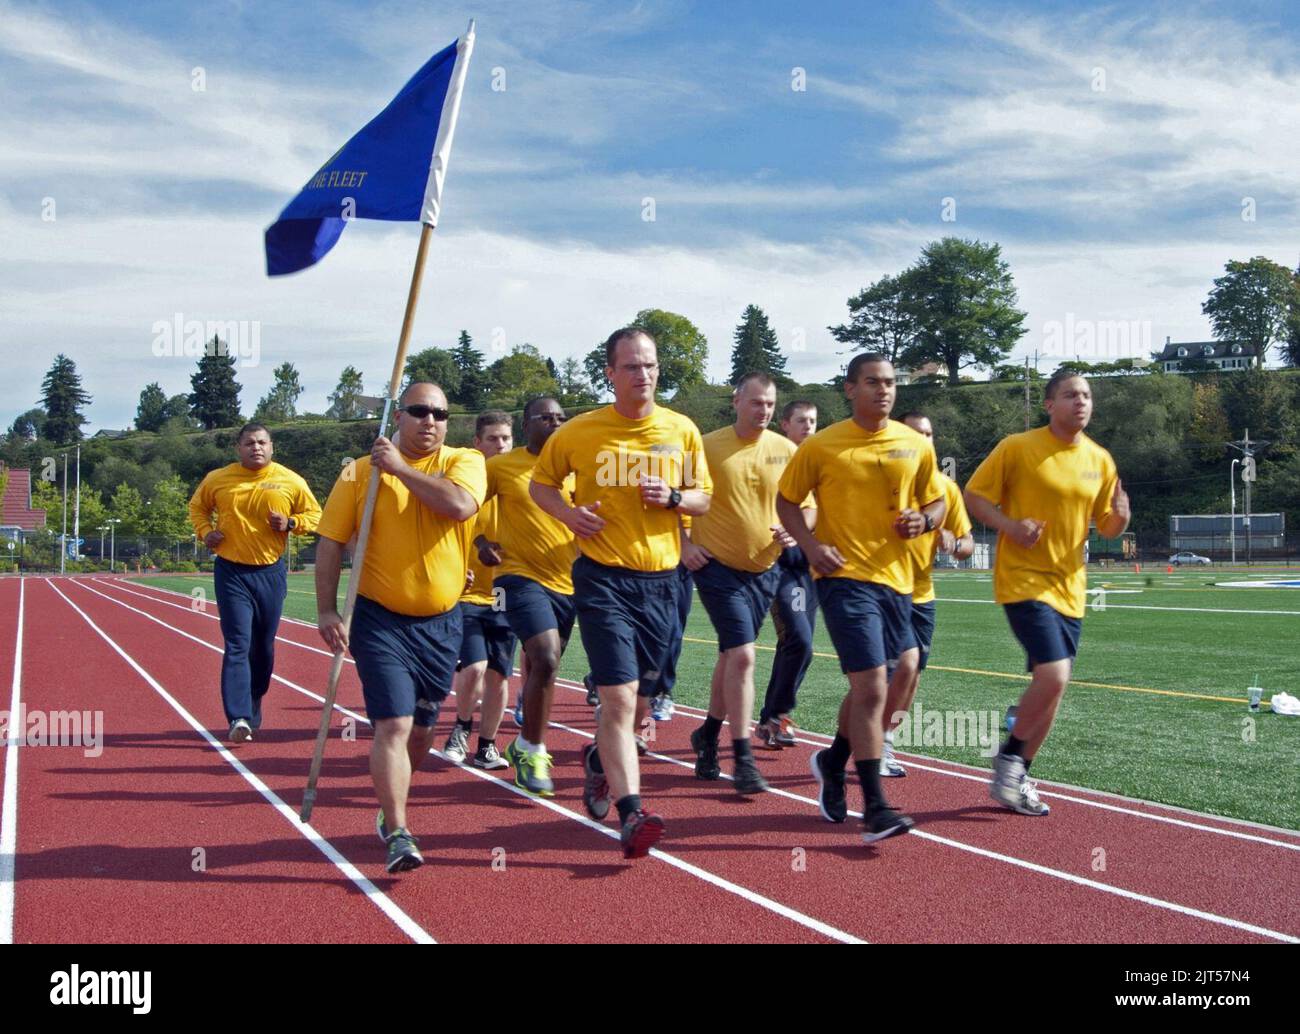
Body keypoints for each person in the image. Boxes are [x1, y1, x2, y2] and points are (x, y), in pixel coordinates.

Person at [530, 327, 712, 859]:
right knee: (617, 695)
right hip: (604, 577)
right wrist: (568, 514)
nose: (644, 374)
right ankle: (633, 812)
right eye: (631, 366)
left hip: (665, 582)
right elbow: (541, 484)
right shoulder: (582, 432)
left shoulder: (681, 430)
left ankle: (596, 763)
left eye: (650, 365)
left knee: (643, 703)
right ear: (610, 373)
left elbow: (703, 499)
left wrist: (676, 496)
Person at [315, 383, 485, 873]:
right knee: (393, 723)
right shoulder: (359, 472)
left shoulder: (465, 461)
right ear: (399, 416)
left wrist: (401, 470)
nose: (430, 420)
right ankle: (399, 829)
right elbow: (330, 542)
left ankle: (390, 807)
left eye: (440, 413)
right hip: (380, 619)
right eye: (419, 411)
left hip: (442, 623)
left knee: (421, 733)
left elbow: (457, 506)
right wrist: (327, 610)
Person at [776, 354, 945, 844]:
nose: (884, 390)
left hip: (899, 581)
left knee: (886, 681)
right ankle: (874, 806)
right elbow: (787, 500)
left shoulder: (914, 445)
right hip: (843, 578)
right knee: (872, 686)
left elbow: (936, 500)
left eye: (890, 382)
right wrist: (810, 546)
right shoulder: (823, 445)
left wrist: (925, 520)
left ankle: (832, 761)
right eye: (873, 382)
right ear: (850, 389)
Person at [964, 368, 1128, 817]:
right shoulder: (1018, 448)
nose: (1081, 402)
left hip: (1071, 586)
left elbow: (1108, 525)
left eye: (1087, 395)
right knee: (1054, 674)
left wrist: (1121, 517)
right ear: (1049, 404)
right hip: (1023, 579)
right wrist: (1010, 528)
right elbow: (974, 496)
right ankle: (1010, 756)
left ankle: (1018, 775)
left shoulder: (1100, 459)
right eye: (1071, 395)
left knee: (1053, 687)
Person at [683, 373, 804, 794]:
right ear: (735, 402)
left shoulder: (786, 450)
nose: (764, 411)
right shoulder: (706, 445)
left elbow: (808, 506)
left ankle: (708, 736)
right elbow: (676, 499)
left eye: (770, 405)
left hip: (765, 570)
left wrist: (797, 529)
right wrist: (682, 544)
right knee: (745, 656)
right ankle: (744, 757)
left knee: (732, 659)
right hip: (717, 567)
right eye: (756, 403)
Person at [188, 422, 320, 744]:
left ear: (272, 447)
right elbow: (197, 508)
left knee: (263, 646)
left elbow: (316, 515)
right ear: (239, 448)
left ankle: (254, 697)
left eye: (262, 442)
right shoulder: (218, 479)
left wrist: (291, 523)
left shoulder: (290, 480)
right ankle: (238, 716)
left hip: (270, 572)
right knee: (237, 643)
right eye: (249, 443)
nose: (256, 447)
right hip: (231, 571)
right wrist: (207, 533)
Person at [483, 396, 579, 797]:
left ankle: (522, 743)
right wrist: (479, 540)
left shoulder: (580, 470)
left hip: (570, 583)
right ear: (527, 425)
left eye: (561, 417)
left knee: (547, 667)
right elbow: (470, 506)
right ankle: (535, 750)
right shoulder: (502, 466)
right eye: (545, 417)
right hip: (516, 577)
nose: (555, 423)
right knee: (545, 654)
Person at [880, 412, 975, 777]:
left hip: (922, 594)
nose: (925, 440)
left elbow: (966, 542)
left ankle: (884, 740)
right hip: (886, 590)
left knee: (913, 673)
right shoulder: (889, 479)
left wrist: (954, 544)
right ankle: (866, 741)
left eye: (929, 434)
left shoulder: (945, 489)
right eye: (916, 434)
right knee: (889, 672)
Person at [445, 412, 516, 770]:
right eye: (493, 439)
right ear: (477, 443)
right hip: (469, 594)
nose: (500, 445)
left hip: (507, 594)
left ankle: (487, 745)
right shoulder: (467, 480)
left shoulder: (521, 483)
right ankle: (460, 728)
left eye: (506, 438)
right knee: (474, 666)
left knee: (499, 675)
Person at [755, 400, 819, 749]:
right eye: (801, 421)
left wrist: (801, 529)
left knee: (798, 644)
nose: (808, 427)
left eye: (813, 421)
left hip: (808, 565)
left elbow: (817, 509)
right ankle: (775, 715)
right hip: (772, 562)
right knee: (799, 640)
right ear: (785, 425)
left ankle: (773, 717)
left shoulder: (821, 462)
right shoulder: (771, 459)